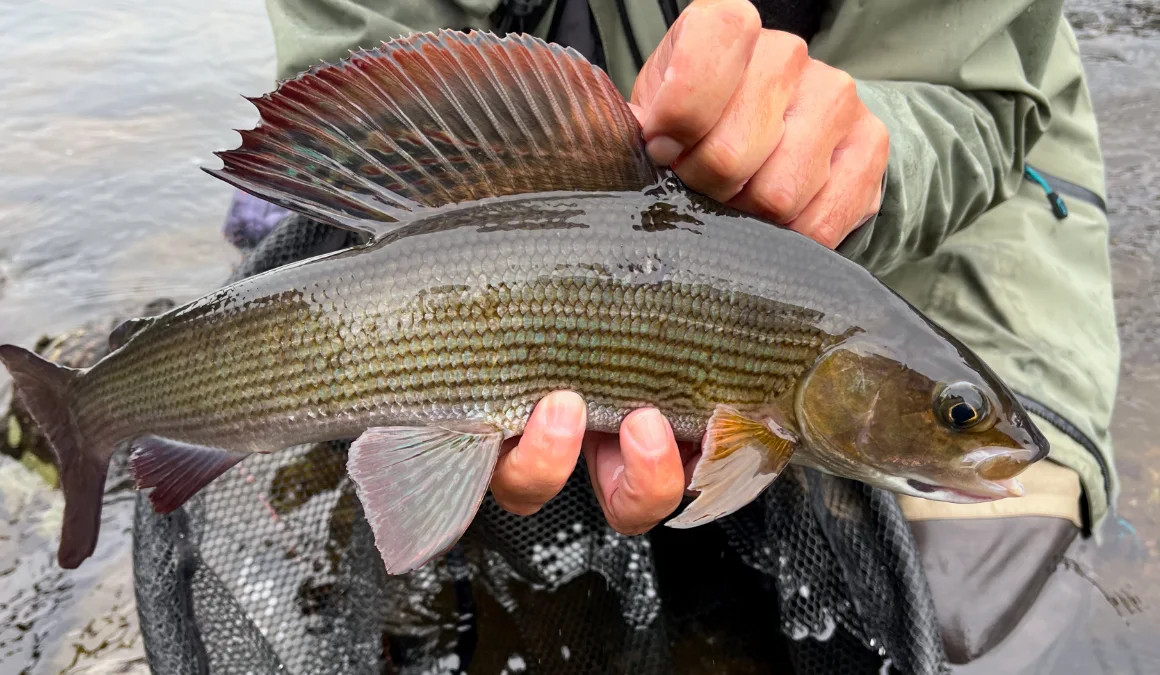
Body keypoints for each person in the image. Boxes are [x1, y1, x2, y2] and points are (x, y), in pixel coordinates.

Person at [221, 0, 1119, 671]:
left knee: (961, 616)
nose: (967, 426)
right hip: (541, 202)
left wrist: (870, 158)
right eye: (960, 414)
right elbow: (365, 68)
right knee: (469, 547)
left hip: (959, 228)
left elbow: (990, 93)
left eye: (955, 413)